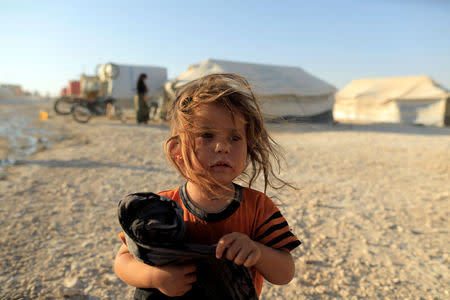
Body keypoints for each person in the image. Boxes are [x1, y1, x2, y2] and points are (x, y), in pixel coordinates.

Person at [114, 73, 301, 298]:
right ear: (177, 151)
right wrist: (156, 278)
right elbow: (123, 260)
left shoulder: (258, 207)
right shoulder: (160, 207)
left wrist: (257, 251)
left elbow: (285, 273)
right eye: (207, 135)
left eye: (235, 138)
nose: (222, 146)